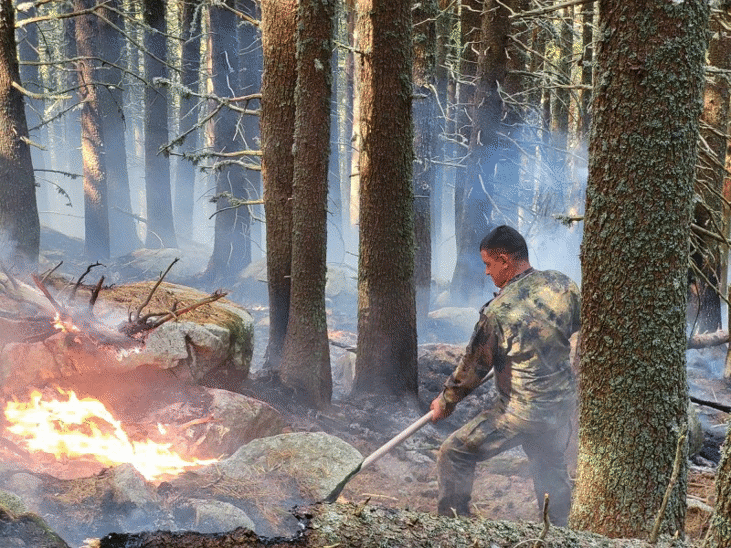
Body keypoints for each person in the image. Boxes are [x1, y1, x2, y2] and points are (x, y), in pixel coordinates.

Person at [430, 225, 580, 526]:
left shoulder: (498, 312)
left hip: (520, 413)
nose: (487, 273)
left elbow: (472, 368)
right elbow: (573, 327)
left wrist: (446, 401)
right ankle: (561, 535)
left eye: (488, 264)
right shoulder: (563, 285)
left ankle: (452, 528)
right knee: (550, 469)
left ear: (504, 260)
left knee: (454, 453)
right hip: (560, 408)